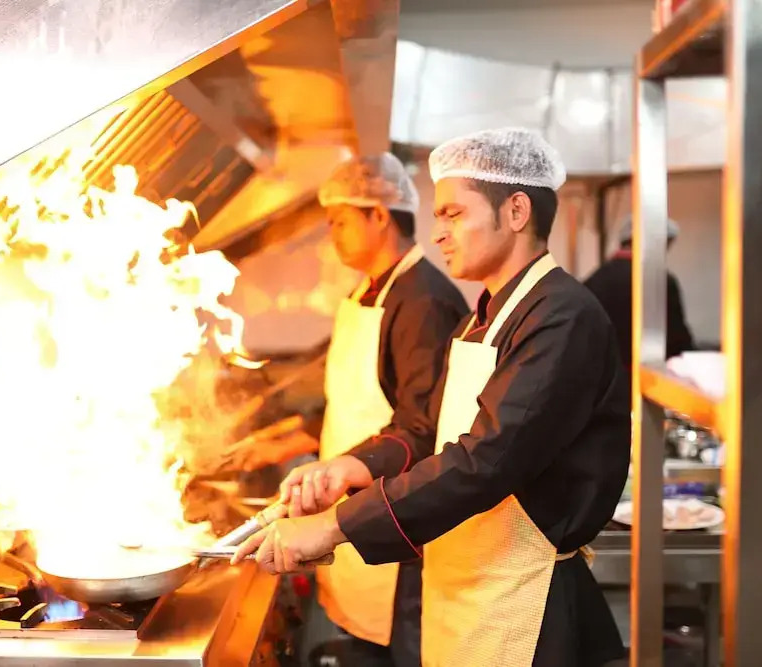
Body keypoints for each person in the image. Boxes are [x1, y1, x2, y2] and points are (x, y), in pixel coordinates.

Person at [234, 129, 630, 667]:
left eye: (453, 214)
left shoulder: (562, 317)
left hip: (526, 605)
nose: (437, 232)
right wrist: (349, 467)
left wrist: (333, 526)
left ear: (516, 211)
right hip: (470, 588)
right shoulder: (482, 319)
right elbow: (427, 430)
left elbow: (484, 461)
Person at [305, 152, 469, 667]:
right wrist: (292, 435)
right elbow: (359, 399)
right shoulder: (368, 290)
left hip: (400, 522)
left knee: (407, 650)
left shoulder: (422, 300)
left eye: (340, 221)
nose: (331, 234)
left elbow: (423, 426)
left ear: (379, 215)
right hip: (359, 502)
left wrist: (344, 468)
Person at [584, 214, 695, 369]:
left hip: (602, 375)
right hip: (644, 376)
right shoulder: (660, 281)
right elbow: (677, 340)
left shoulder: (594, 280)